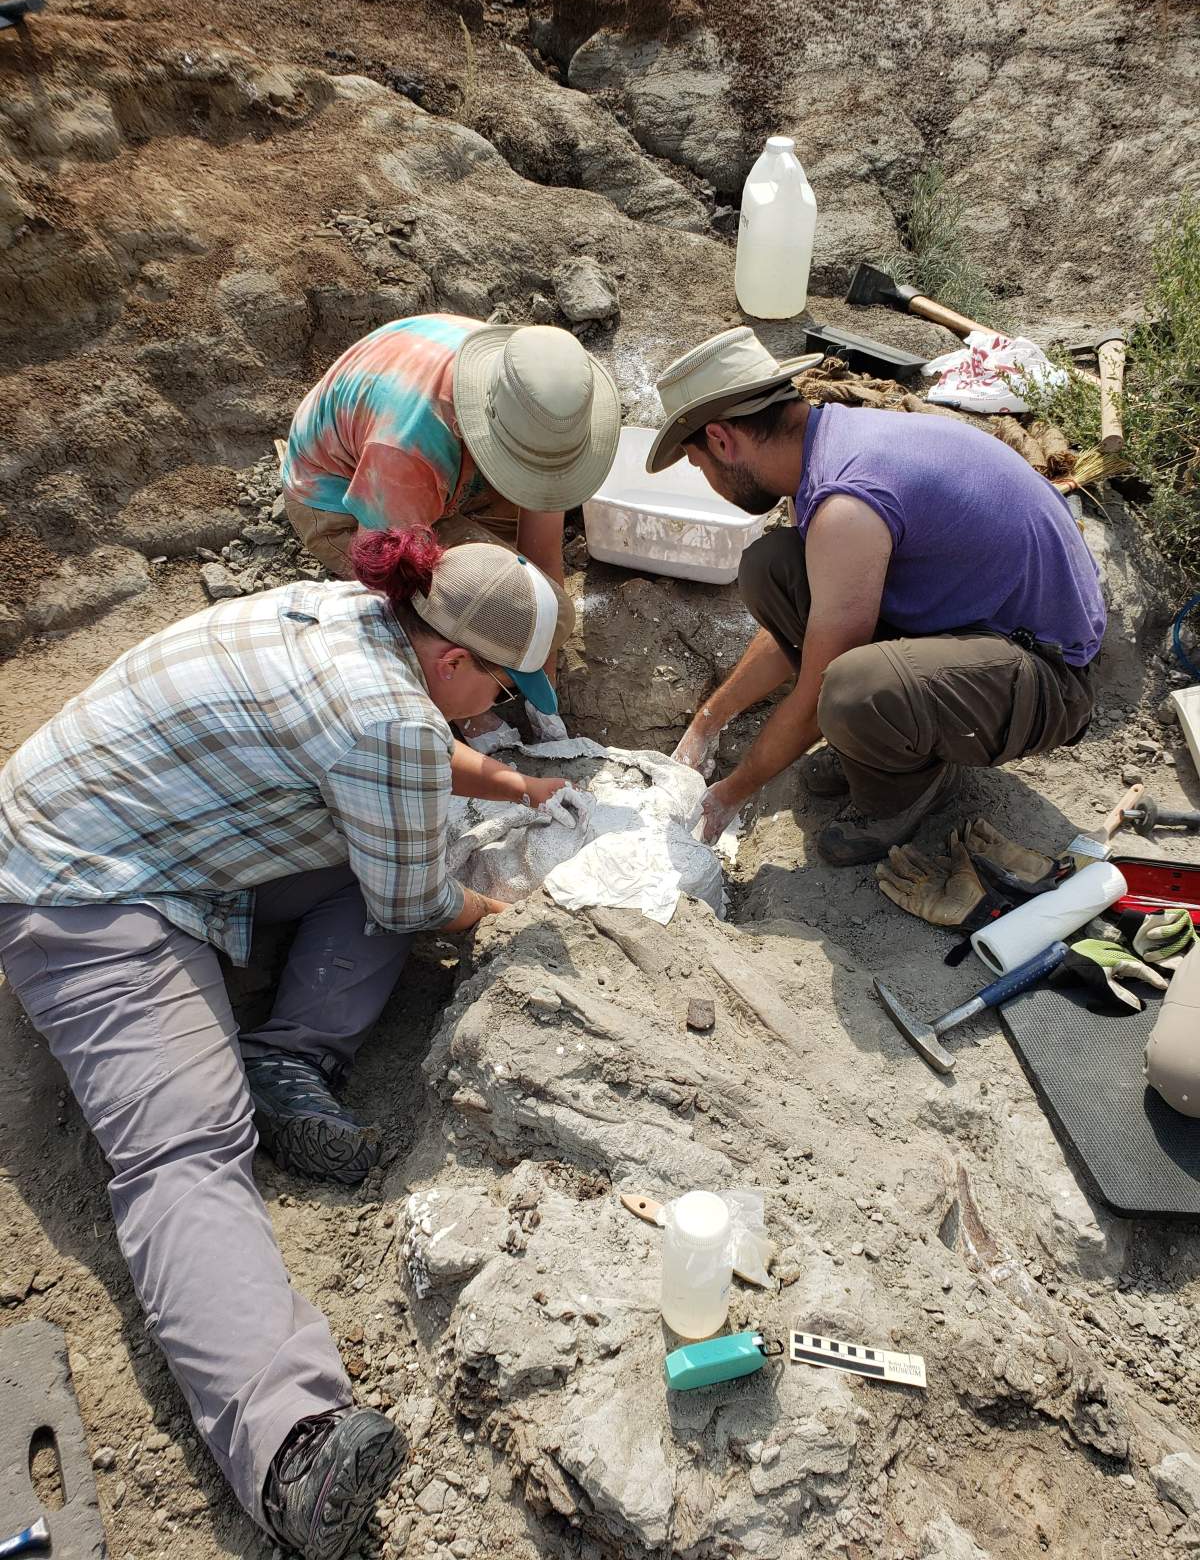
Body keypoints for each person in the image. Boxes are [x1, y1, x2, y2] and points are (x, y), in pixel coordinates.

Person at [0, 530, 570, 1559]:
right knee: (184, 1146)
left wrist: (515, 787)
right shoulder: (387, 716)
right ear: (452, 658)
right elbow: (422, 896)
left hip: (155, 830)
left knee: (395, 837)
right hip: (85, 890)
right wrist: (514, 910)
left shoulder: (362, 620)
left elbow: (410, 761)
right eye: (503, 686)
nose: (507, 707)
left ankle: (286, 1058)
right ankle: (288, 1445)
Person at [649, 326, 1106, 864]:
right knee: (773, 568)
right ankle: (891, 741)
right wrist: (708, 722)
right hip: (981, 629)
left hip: (1050, 676)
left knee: (850, 692)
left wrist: (729, 794)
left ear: (723, 441)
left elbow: (826, 677)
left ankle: (904, 792)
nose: (707, 478)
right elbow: (807, 626)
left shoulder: (847, 502)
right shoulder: (828, 443)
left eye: (699, 464)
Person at [281, 313, 620, 739]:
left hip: (439, 467)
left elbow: (542, 554)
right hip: (341, 500)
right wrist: (468, 710)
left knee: (543, 613)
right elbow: (402, 594)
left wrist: (542, 693)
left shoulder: (537, 402)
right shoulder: (407, 447)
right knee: (476, 620)